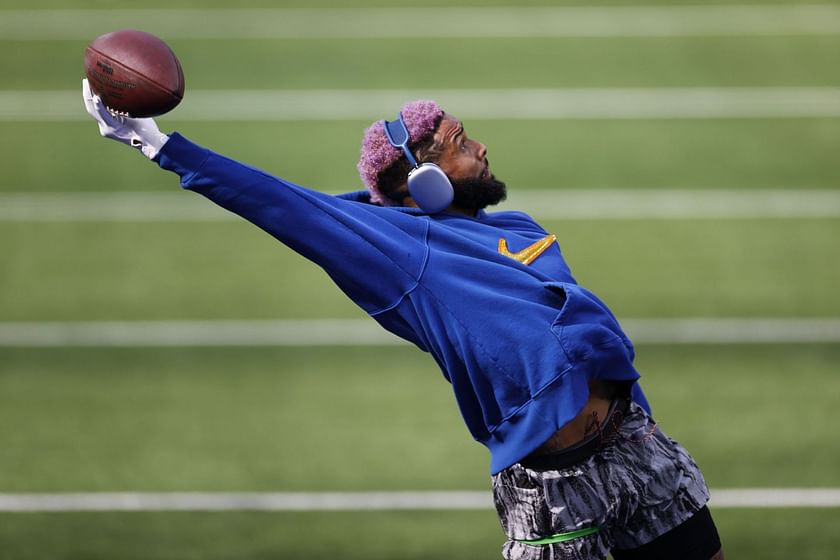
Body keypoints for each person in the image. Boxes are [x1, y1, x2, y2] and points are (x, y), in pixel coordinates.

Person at [82, 80, 723, 560]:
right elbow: (286, 207)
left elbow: (592, 344)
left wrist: (643, 416)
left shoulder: (520, 231)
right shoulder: (406, 258)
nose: (481, 147)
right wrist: (158, 143)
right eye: (461, 143)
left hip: (636, 450)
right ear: (424, 179)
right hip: (554, 493)